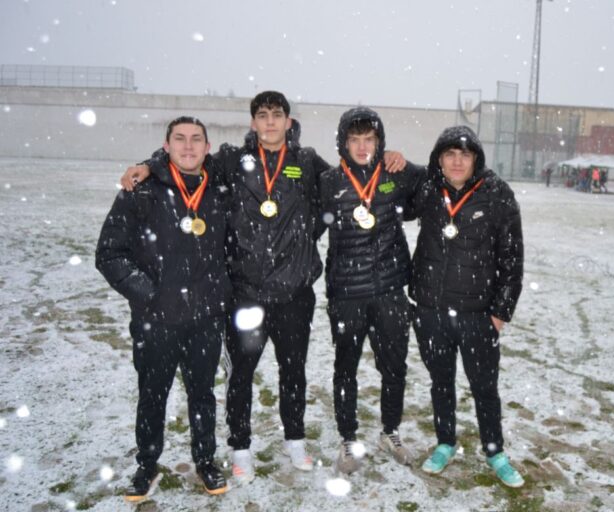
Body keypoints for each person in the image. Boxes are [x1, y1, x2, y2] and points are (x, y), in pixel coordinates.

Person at [119, 92, 406, 484]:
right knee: (241, 375)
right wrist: (150, 164)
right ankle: (240, 448)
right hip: (247, 292)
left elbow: (348, 181)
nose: (270, 122)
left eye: (277, 115)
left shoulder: (307, 163)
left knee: (293, 373)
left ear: (288, 122)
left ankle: (295, 440)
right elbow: (187, 159)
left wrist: (388, 159)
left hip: (294, 294)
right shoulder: (233, 161)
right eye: (263, 115)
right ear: (253, 122)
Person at [96, 117, 231, 501]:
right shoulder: (140, 190)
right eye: (180, 139)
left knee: (202, 395)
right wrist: (149, 295)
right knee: (152, 395)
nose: (188, 146)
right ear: (166, 146)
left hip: (205, 318)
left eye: (196, 139)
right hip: (156, 320)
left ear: (207, 147)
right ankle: (147, 465)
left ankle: (205, 460)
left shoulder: (220, 188)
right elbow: (109, 254)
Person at [408, 125, 525, 488]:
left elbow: (512, 258)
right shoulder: (428, 189)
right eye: (449, 154)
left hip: (478, 314)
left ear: (476, 159)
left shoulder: (496, 194)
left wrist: (500, 313)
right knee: (441, 383)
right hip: (432, 311)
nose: (457, 161)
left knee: (484, 387)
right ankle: (445, 442)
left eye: (464, 154)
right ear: (439, 159)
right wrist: (390, 159)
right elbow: (393, 201)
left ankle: (495, 451)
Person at [319, 107, 424, 474]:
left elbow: (433, 181)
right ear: (343, 143)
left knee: (394, 366)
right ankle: (348, 439)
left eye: (370, 139)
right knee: (345, 367)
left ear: (380, 142)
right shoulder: (328, 181)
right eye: (355, 140)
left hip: (390, 290)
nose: (362, 147)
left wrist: (405, 162)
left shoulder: (394, 174)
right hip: (347, 293)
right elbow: (302, 224)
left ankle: (390, 432)